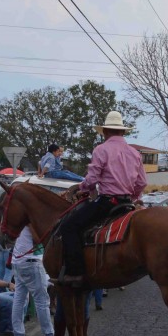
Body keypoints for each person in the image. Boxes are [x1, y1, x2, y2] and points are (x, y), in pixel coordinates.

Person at [57, 111, 146, 287]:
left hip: (107, 203)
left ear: (105, 131)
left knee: (69, 226)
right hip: (127, 204)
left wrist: (82, 188)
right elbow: (142, 182)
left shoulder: (101, 150)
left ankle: (75, 273)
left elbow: (92, 179)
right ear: (123, 132)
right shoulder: (135, 153)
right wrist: (133, 197)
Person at [10, 224, 55, 336]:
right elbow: (38, 239)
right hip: (31, 261)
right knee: (42, 300)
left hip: (17, 261)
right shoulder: (30, 220)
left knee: (19, 299)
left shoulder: (19, 220)